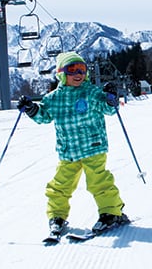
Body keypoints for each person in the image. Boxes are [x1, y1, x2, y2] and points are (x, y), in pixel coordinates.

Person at [17, 51, 128, 238]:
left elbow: (108, 109)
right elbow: (43, 116)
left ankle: (111, 213)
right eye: (72, 69)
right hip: (68, 151)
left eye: (82, 69)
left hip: (93, 146)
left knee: (99, 182)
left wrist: (111, 98)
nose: (78, 74)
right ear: (61, 73)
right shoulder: (53, 98)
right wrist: (32, 109)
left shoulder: (91, 92)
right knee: (60, 185)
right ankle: (57, 216)